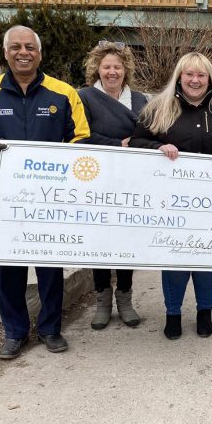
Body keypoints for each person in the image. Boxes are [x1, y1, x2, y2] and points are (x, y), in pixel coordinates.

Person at [0, 25, 90, 359]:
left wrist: (64, 164)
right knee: (9, 267)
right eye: (16, 47)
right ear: (6, 52)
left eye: (29, 47)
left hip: (51, 198)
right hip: (6, 196)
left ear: (39, 53)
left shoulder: (63, 93)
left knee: (50, 266)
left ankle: (50, 329)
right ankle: (14, 333)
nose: (23, 52)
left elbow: (81, 137)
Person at [130, 52, 212, 339]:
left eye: (201, 75)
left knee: (207, 259)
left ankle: (204, 312)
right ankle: (173, 313)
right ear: (180, 77)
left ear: (209, 78)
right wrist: (157, 148)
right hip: (171, 201)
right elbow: (137, 141)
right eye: (189, 74)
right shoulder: (159, 108)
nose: (195, 80)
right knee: (173, 259)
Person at [79, 40, 148, 330]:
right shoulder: (84, 97)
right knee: (101, 239)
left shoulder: (140, 100)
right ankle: (102, 300)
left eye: (117, 67)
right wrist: (116, 144)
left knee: (125, 238)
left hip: (130, 178)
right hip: (97, 177)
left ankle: (125, 298)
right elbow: (78, 135)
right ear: (97, 68)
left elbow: (149, 133)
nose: (111, 72)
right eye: (106, 67)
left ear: (125, 69)